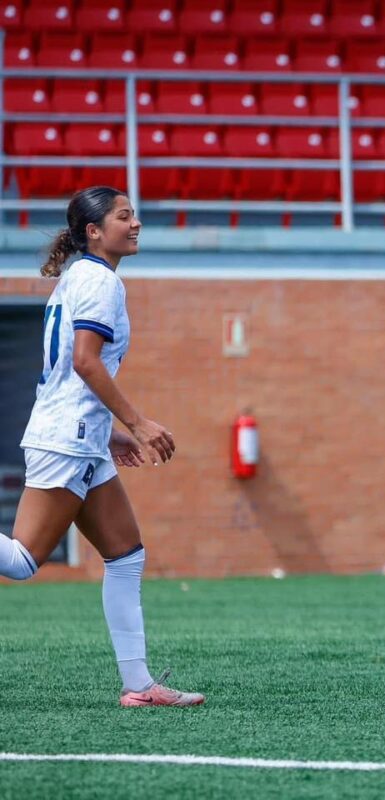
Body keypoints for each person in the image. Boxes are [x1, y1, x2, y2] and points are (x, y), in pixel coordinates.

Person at [0, 187, 203, 707]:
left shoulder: (83, 277)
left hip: (80, 435)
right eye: (123, 216)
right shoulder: (99, 281)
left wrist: (106, 430)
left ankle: (139, 686)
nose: (135, 224)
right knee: (23, 560)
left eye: (134, 214)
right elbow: (87, 361)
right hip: (66, 438)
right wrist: (136, 423)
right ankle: (139, 684)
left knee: (126, 556)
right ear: (94, 231)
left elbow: (72, 368)